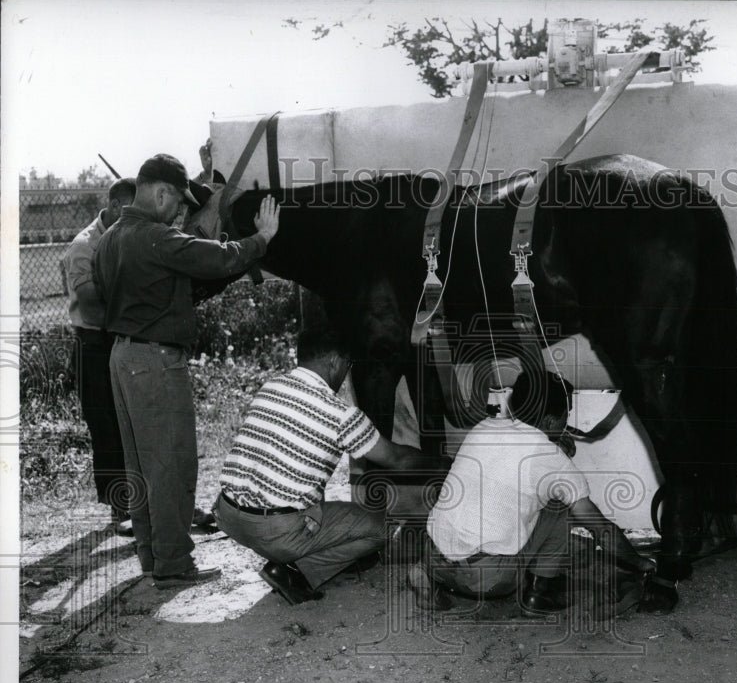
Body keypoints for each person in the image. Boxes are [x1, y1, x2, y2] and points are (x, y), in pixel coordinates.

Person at [94, 153, 280, 589]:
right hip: (156, 361)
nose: (182, 213)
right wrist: (262, 238)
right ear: (160, 193)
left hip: (122, 358)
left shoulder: (109, 238)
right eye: (178, 202)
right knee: (171, 464)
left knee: (139, 465)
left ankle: (152, 556)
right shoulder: (156, 237)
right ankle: (174, 565)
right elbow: (218, 259)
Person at [214, 327, 443, 605]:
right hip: (273, 530)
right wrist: (445, 462)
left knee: (311, 502)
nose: (347, 372)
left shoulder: (270, 386)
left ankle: (285, 557)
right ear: (335, 361)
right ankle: (299, 572)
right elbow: (398, 459)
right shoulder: (340, 414)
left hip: (227, 515)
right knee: (380, 526)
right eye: (348, 364)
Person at [413, 370, 655, 615]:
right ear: (550, 421)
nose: (566, 422)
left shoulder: (483, 427)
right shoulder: (552, 460)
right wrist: (639, 562)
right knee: (559, 503)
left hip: (433, 557)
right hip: (486, 579)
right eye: (565, 415)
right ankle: (540, 594)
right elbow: (599, 527)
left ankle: (426, 577)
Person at [60, 177, 136, 528]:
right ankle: (117, 507)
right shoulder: (84, 245)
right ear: (118, 205)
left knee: (131, 424)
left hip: (121, 338)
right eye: (133, 210)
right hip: (93, 344)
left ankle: (138, 502)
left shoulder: (126, 235)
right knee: (105, 428)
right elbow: (89, 302)